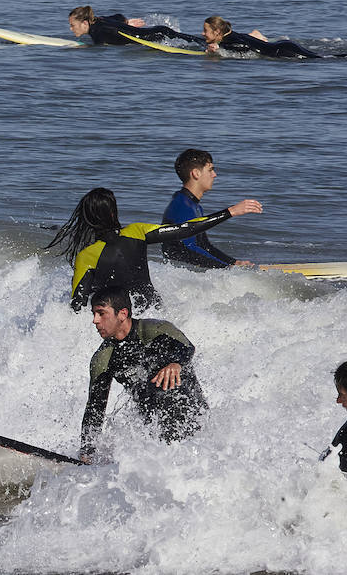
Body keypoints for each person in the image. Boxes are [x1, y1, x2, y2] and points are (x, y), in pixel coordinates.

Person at [47, 187, 261, 312]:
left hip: (122, 321)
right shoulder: (136, 232)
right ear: (113, 214)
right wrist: (230, 212)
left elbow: (76, 305)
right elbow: (185, 229)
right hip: (153, 310)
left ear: (88, 219)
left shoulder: (87, 256)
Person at [79, 286, 208, 461]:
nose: (95, 320)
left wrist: (176, 364)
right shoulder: (103, 359)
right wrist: (87, 450)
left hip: (194, 419)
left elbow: (187, 347)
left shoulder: (156, 329)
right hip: (153, 434)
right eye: (94, 314)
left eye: (101, 313)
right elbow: (95, 409)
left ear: (122, 314)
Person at [161, 149, 253, 269]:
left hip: (186, 272)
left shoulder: (194, 206)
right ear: (196, 173)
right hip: (179, 275)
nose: (214, 175)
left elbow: (204, 246)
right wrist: (225, 268)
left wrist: (233, 263)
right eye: (210, 170)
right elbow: (187, 249)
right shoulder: (181, 206)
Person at [67, 6, 201, 47]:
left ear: (85, 23)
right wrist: (126, 22)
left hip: (155, 37)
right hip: (158, 31)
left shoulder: (98, 33)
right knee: (195, 41)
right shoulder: (99, 20)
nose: (71, 28)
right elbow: (118, 16)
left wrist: (88, 47)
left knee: (197, 45)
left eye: (73, 25)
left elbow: (102, 45)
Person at [202, 15, 320, 59]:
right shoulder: (230, 34)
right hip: (283, 45)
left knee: (318, 59)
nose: (202, 34)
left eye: (205, 31)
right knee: (319, 57)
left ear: (217, 31)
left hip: (282, 51)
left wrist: (219, 47)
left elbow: (244, 46)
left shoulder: (230, 40)